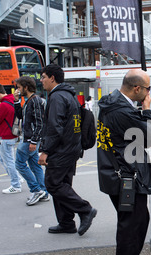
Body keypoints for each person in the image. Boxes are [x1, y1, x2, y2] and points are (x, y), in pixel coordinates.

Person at [97, 69, 151, 255]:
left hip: (115, 173)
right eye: (148, 89)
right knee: (133, 224)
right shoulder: (122, 110)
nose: (150, 92)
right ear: (137, 89)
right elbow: (149, 136)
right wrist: (147, 110)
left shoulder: (110, 103)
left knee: (134, 222)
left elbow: (125, 136)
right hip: (126, 177)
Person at [38, 64, 97, 235]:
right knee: (63, 184)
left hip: (61, 150)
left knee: (53, 184)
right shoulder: (69, 96)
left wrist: (45, 151)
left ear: (52, 78)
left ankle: (85, 210)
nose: (41, 81)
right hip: (72, 148)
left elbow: (55, 128)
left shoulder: (56, 97)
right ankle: (66, 223)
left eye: (43, 77)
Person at [13, 76, 49, 206]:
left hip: (29, 140)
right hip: (29, 139)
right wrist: (16, 102)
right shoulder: (29, 101)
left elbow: (40, 122)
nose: (17, 90)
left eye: (19, 87)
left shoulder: (35, 101)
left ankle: (36, 190)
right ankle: (43, 191)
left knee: (19, 164)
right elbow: (21, 117)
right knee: (35, 166)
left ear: (26, 87)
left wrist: (34, 141)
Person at [0, 83, 22, 194]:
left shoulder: (3, 105)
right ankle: (17, 178)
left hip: (6, 136)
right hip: (12, 135)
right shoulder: (12, 100)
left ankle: (16, 184)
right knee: (2, 159)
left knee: (8, 161)